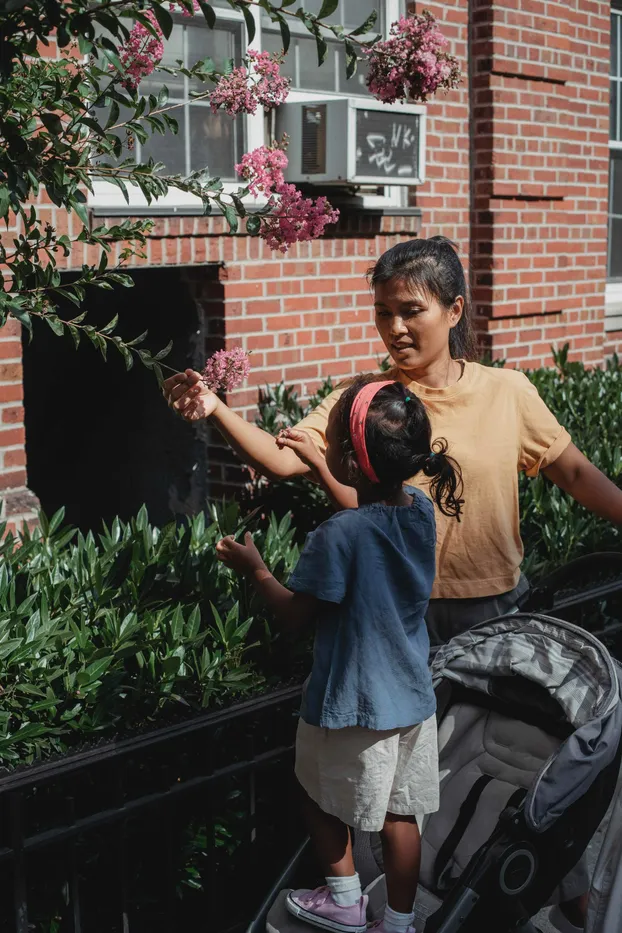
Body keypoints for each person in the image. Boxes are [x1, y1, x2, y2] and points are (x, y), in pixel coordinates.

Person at [163, 236, 622, 931]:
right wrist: (218, 409)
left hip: (493, 623)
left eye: (412, 309)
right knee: (399, 788)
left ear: (454, 307)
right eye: (383, 311)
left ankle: (536, 892)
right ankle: (403, 905)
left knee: (498, 772)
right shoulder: (370, 399)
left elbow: (575, 473)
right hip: (396, 631)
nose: (395, 327)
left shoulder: (507, 392)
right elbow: (289, 457)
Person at [216, 376, 463, 933]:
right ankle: (398, 923)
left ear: (354, 463)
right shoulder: (421, 511)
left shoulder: (337, 535)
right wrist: (327, 468)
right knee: (402, 815)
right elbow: (368, 511)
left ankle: (347, 901)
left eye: (330, 447)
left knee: (316, 794)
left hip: (351, 704)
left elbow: (294, 615)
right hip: (412, 701)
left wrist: (254, 568)